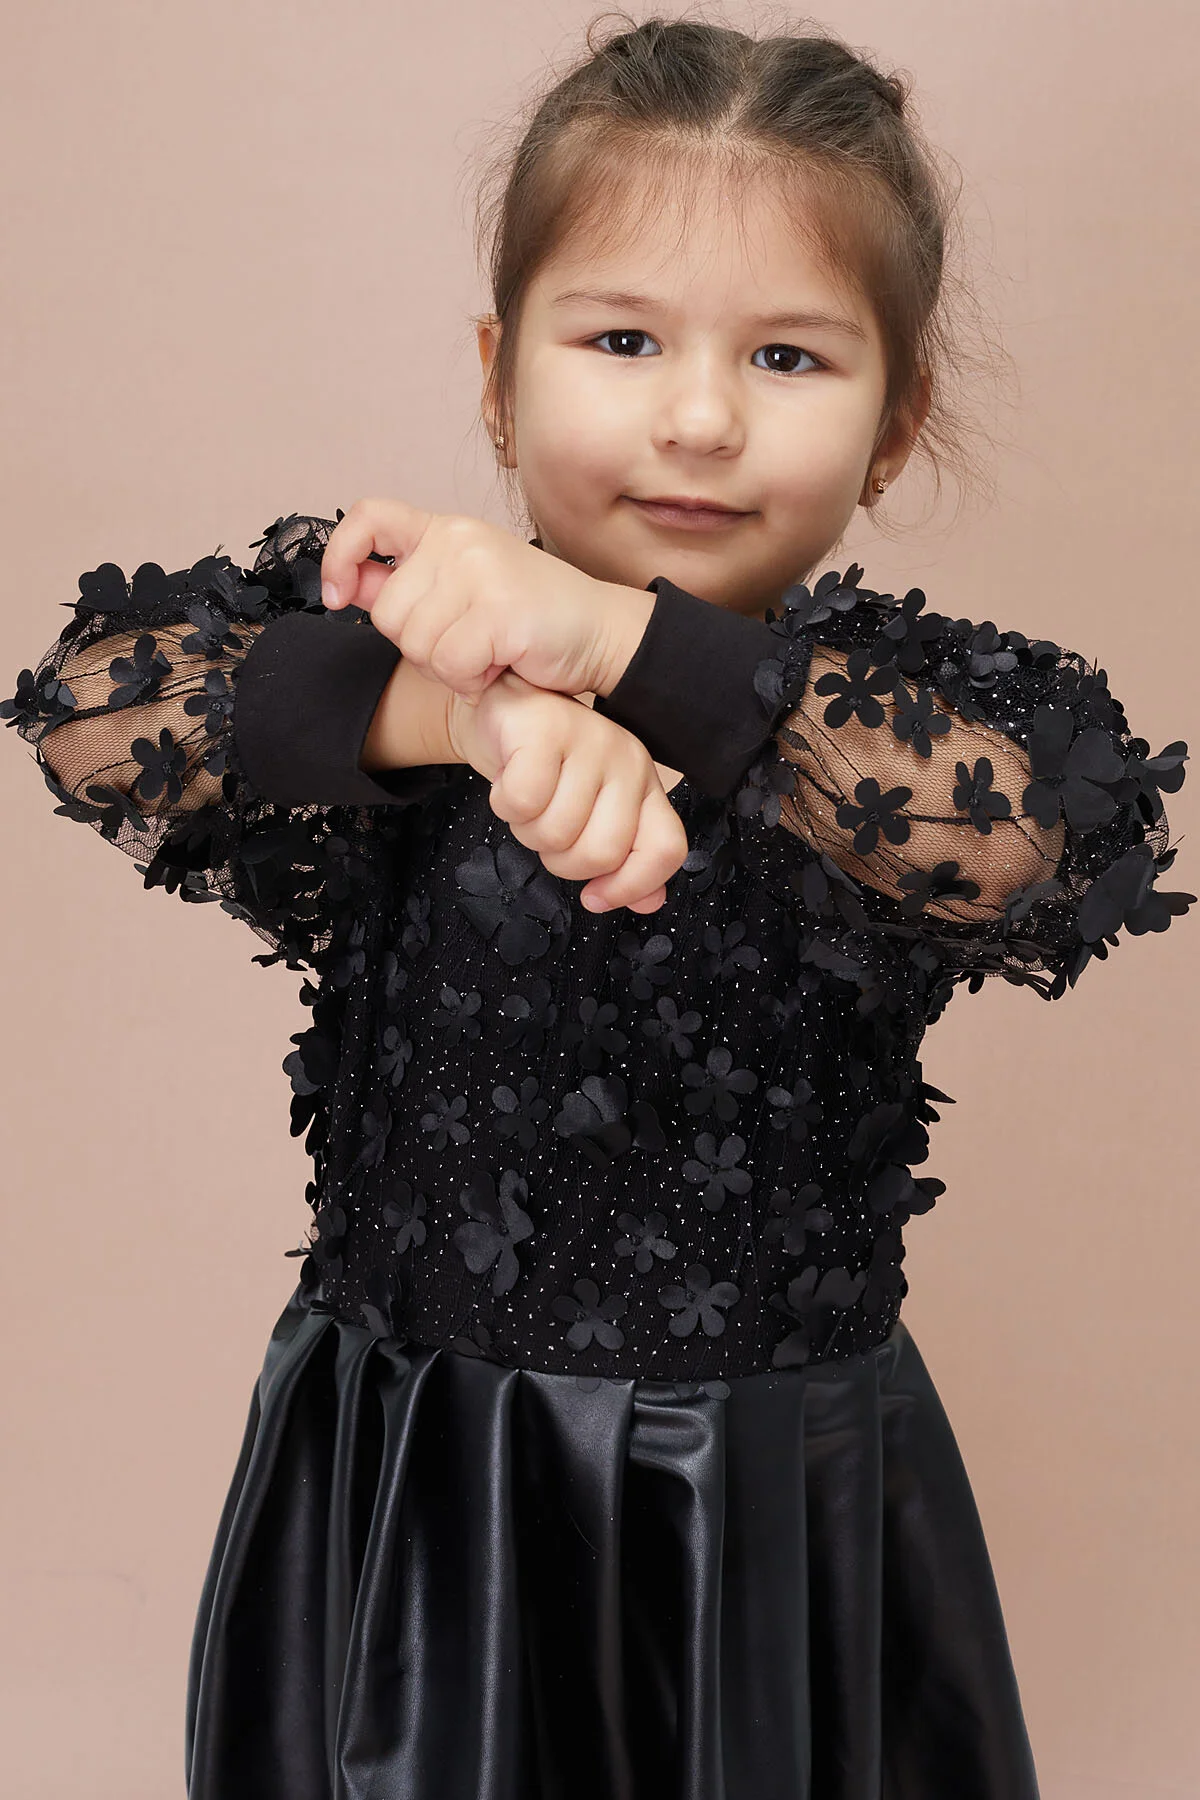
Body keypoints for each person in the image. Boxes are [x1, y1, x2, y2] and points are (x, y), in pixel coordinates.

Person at [3, 16, 1193, 1800]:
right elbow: (97, 717)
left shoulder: (872, 722)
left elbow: (1043, 838)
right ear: (498, 379)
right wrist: (459, 707)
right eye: (623, 340)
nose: (699, 416)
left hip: (761, 1518)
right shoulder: (399, 628)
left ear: (896, 421)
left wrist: (615, 639)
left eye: (787, 354)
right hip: (419, 1509)